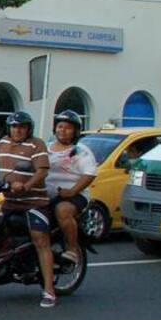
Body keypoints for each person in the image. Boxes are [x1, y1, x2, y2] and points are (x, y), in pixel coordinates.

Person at [0, 110, 57, 308]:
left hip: (33, 202)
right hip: (8, 200)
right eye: (13, 127)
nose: (17, 130)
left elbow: (42, 171)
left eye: (21, 127)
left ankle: (49, 290)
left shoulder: (36, 144)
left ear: (28, 129)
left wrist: (26, 186)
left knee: (40, 240)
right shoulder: (3, 143)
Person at [45, 109, 96, 269]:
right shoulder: (45, 148)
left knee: (63, 210)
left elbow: (89, 174)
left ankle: (72, 248)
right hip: (46, 193)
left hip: (73, 195)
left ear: (75, 131)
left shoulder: (80, 151)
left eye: (67, 128)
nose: (63, 130)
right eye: (60, 126)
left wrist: (73, 191)